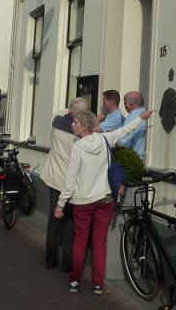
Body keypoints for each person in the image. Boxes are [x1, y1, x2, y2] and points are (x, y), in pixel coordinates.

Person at [54, 107, 153, 295]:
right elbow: (125, 130)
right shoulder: (105, 139)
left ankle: (75, 280)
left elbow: (70, 178)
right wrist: (141, 117)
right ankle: (98, 284)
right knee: (99, 241)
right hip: (106, 199)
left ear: (84, 127)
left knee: (80, 240)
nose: (72, 125)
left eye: (75, 122)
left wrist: (61, 203)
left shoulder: (78, 147)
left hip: (83, 201)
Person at [41, 97, 88, 272]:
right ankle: (66, 262)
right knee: (69, 222)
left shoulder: (57, 121)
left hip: (55, 179)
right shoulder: (81, 133)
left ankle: (50, 259)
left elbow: (62, 112)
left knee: (54, 220)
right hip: (72, 182)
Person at [118, 91, 147, 159]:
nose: (125, 106)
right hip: (150, 162)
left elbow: (123, 144)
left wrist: (112, 137)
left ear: (129, 105)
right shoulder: (149, 114)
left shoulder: (131, 118)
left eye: (125, 103)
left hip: (136, 162)